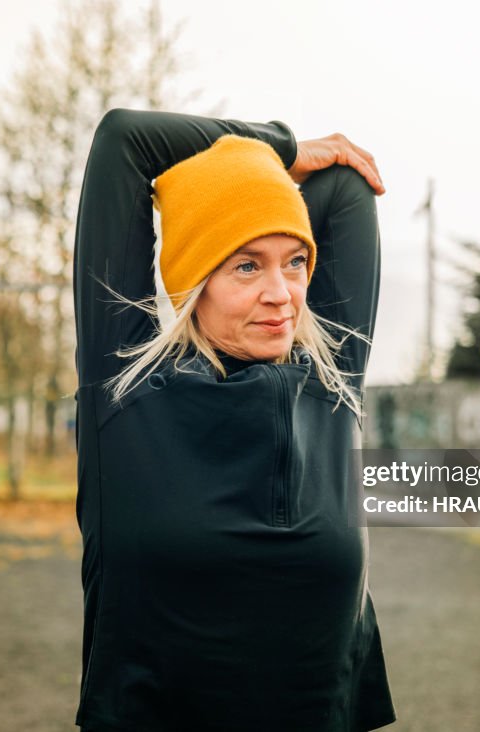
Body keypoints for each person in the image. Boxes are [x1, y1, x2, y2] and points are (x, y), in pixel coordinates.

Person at [72, 107, 395, 731]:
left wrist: (262, 183)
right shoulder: (126, 392)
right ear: (196, 281)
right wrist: (281, 147)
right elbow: (125, 138)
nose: (281, 293)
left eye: (295, 261)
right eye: (246, 265)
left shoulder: (332, 388)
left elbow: (346, 186)